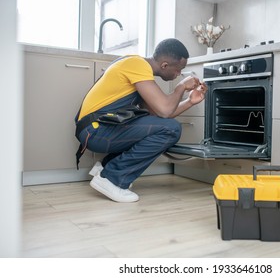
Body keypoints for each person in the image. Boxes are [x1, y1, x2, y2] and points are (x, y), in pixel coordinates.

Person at [75, 38, 207, 203]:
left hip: (97, 129)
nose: (178, 74)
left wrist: (189, 101)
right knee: (171, 129)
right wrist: (181, 87)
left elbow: (158, 115)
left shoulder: (139, 69)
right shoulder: (137, 65)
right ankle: (112, 178)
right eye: (179, 70)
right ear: (165, 65)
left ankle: (105, 168)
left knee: (162, 126)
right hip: (95, 131)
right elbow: (166, 111)